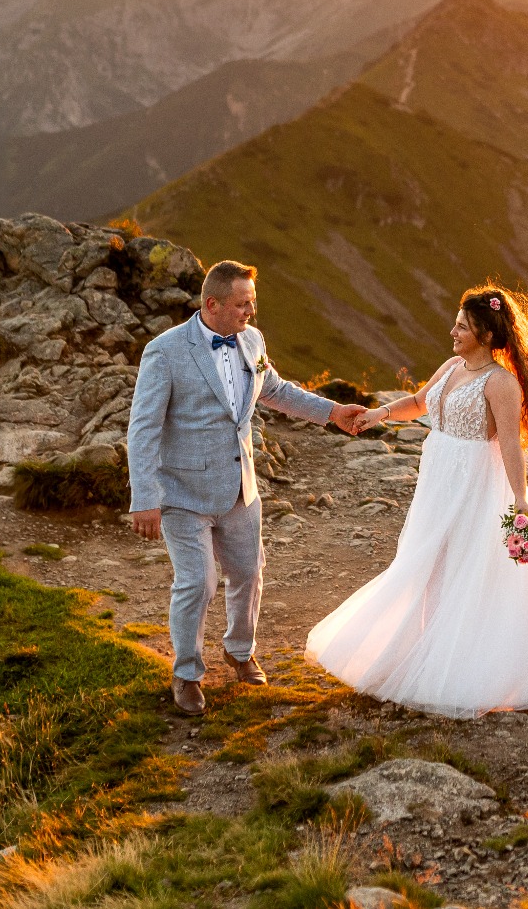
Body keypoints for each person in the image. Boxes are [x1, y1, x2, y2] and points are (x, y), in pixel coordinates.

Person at [306, 283, 528, 717]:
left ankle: (470, 660)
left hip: (477, 484)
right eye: (456, 324)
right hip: (439, 479)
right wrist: (379, 413)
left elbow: (511, 445)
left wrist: (520, 500)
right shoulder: (451, 366)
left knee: (471, 567)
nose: (453, 332)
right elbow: (420, 402)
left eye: (462, 327)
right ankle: (426, 646)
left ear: (486, 335)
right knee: (430, 560)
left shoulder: (501, 383)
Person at [126, 260, 367, 715]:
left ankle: (240, 651)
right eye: (242, 304)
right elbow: (143, 429)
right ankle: (187, 673)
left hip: (241, 489)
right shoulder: (165, 351)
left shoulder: (252, 340)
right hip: (182, 493)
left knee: (249, 574)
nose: (250, 312)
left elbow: (275, 390)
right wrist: (144, 498)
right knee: (198, 583)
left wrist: (333, 412)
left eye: (252, 302)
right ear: (212, 304)